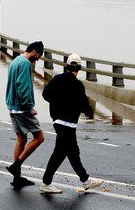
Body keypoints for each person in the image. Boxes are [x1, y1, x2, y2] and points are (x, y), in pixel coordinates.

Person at [39, 53, 104, 194]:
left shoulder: (57, 79)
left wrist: (56, 103)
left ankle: (86, 181)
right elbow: (85, 106)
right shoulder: (78, 85)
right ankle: (46, 183)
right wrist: (90, 113)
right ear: (79, 68)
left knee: (73, 152)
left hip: (57, 121)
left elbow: (45, 94)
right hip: (69, 123)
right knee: (60, 153)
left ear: (67, 66)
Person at [5, 41, 46, 188]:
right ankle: (17, 165)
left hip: (12, 106)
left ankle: (17, 178)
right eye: (39, 55)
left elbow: (12, 84)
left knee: (21, 139)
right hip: (22, 108)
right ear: (34, 51)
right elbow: (22, 86)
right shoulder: (25, 64)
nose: (38, 59)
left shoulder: (16, 60)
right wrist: (29, 107)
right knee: (39, 137)